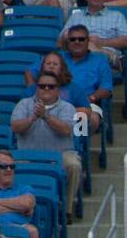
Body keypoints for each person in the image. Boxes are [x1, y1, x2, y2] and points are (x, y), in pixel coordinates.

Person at [11, 71, 82, 220]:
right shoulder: (24, 104)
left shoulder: (68, 107)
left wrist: (46, 116)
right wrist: (32, 118)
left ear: (58, 89)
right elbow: (15, 127)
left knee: (74, 165)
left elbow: (66, 130)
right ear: (36, 88)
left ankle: (66, 210)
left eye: (51, 86)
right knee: (7, 165)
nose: (46, 89)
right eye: (42, 86)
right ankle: (17, 207)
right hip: (28, 155)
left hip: (59, 154)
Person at [61, 0, 127, 69]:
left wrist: (101, 42)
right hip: (78, 53)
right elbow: (60, 41)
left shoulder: (117, 16)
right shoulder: (75, 16)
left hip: (107, 53)